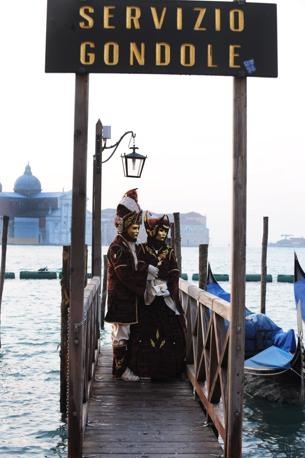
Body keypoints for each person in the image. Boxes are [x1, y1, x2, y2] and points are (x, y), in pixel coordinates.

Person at [104, 189, 159, 381]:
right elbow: (125, 273)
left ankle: (127, 367)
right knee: (121, 334)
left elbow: (134, 264)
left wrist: (146, 267)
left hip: (127, 298)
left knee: (125, 332)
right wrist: (145, 274)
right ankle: (120, 372)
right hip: (121, 299)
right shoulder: (117, 247)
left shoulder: (128, 245)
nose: (136, 229)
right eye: (133, 225)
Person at [128, 212, 186, 380]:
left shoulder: (169, 252)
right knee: (143, 333)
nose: (163, 234)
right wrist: (146, 272)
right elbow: (135, 268)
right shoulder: (141, 249)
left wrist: (168, 285)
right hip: (146, 300)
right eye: (160, 230)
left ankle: (168, 371)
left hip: (165, 299)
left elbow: (174, 272)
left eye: (165, 231)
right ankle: (144, 369)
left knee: (171, 334)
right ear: (151, 231)